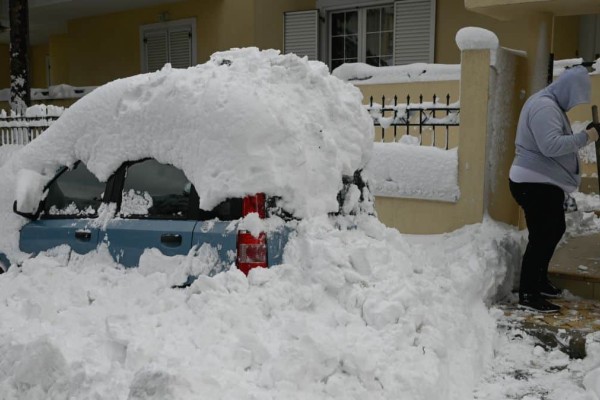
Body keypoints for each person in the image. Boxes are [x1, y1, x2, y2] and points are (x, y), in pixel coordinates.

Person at [509, 65, 599, 313]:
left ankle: (538, 281)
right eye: (575, 98)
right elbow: (550, 146)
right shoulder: (545, 107)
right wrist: (587, 137)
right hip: (534, 184)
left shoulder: (549, 104)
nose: (573, 105)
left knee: (554, 229)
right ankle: (528, 294)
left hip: (541, 183)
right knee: (541, 237)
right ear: (568, 90)